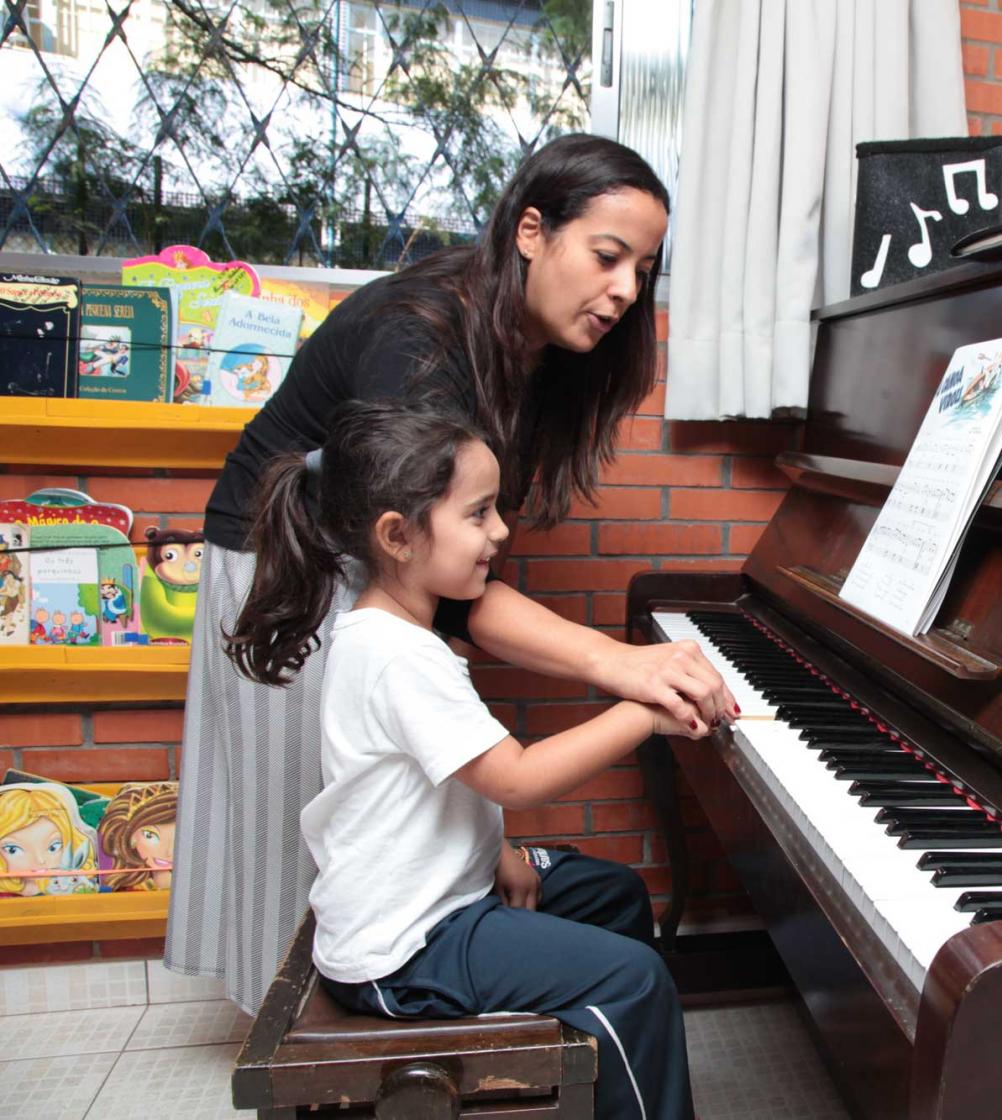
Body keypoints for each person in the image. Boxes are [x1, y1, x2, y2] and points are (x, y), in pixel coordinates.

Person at [167, 134, 737, 1016]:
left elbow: (452, 586)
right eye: (607, 256)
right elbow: (453, 594)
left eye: (644, 270)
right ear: (532, 231)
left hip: (364, 564)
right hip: (283, 557)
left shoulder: (535, 348)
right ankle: (311, 1057)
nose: (626, 290)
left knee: (396, 819)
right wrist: (618, 665)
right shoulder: (421, 343)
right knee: (311, 839)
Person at [224, 401, 693, 1119]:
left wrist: (498, 848)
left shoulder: (401, 634)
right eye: (478, 514)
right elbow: (515, 776)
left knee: (617, 896)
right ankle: (621, 1051)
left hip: (442, 896)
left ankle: (589, 1075)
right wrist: (639, 712)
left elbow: (440, 787)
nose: (500, 531)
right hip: (405, 948)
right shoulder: (394, 655)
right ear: (398, 536)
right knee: (636, 978)